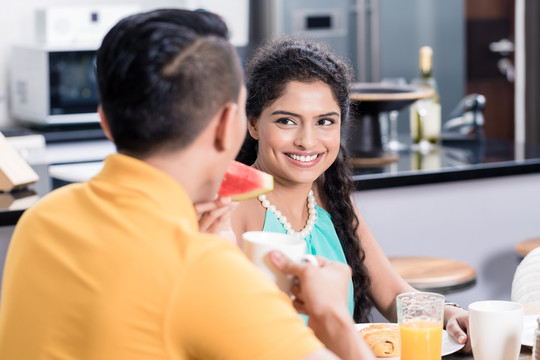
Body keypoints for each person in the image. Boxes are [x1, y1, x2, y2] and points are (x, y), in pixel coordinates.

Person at [0, 10, 375, 360]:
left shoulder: (40, 221)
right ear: (231, 123)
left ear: (105, 122)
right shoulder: (205, 270)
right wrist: (332, 317)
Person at [229, 37, 472, 352]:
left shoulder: (330, 196)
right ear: (253, 124)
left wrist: (449, 314)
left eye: (324, 122)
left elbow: (390, 292)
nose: (307, 141)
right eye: (287, 121)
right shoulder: (230, 210)